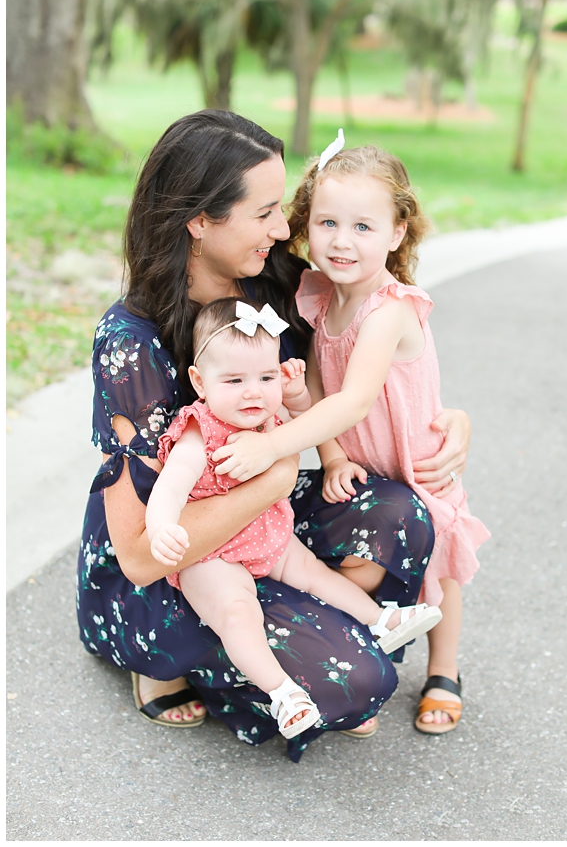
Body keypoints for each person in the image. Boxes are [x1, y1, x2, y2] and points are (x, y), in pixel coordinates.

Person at [80, 110, 471, 761]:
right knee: (359, 682)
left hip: (262, 532)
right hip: (168, 565)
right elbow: (143, 555)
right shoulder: (131, 342)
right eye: (264, 212)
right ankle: (171, 660)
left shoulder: (275, 287)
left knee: (398, 515)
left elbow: (368, 368)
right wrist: (276, 477)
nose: (284, 228)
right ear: (201, 221)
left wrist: (455, 420)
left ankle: (295, 623)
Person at [211, 140, 491, 735]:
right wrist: (331, 455)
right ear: (305, 224)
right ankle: (356, 658)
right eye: (327, 222)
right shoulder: (322, 294)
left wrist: (271, 446)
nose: (342, 240)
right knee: (361, 564)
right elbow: (316, 381)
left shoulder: (389, 309)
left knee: (439, 568)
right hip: (362, 463)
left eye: (363, 226)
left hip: (414, 462)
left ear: (397, 231)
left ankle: (444, 668)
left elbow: (356, 398)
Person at [146, 297, 443, 738]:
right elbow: (169, 486)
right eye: (235, 379)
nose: (253, 391)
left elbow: (309, 418)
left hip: (265, 530)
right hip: (213, 554)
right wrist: (161, 527)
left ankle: (380, 621)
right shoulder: (200, 431)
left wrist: (297, 393)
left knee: (315, 573)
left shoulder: (265, 411)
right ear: (200, 382)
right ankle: (283, 692)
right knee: (237, 611)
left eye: (265, 376)